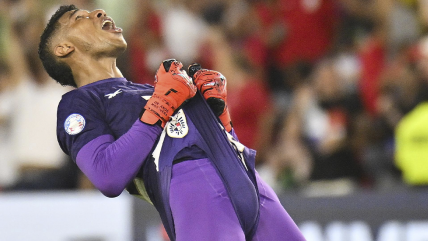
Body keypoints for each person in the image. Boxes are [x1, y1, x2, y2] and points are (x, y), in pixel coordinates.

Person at [38, 5, 305, 241]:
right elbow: (107, 175)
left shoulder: (150, 88)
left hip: (247, 179)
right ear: (64, 48)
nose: (98, 12)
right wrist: (160, 108)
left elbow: (184, 136)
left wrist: (220, 120)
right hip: (196, 191)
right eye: (79, 18)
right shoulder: (79, 102)